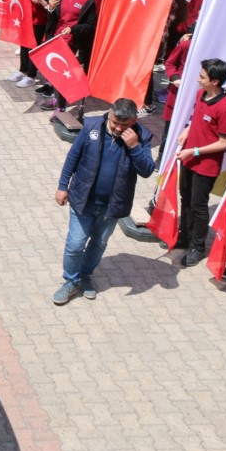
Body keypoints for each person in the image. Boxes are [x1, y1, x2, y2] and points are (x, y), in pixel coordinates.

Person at [53, 99, 155, 305]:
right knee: (75, 244)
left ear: (134, 120)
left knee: (99, 243)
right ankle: (71, 281)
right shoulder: (92, 127)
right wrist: (63, 185)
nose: (118, 128)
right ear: (109, 113)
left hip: (112, 206)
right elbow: (73, 156)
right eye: (115, 121)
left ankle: (84, 276)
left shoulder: (141, 137)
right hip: (83, 200)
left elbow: (147, 170)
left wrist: (134, 146)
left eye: (124, 125)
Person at [172, 59, 226, 267]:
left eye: (202, 77)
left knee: (198, 205)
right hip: (189, 158)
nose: (198, 79)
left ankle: (198, 246)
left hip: (206, 165)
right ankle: (184, 236)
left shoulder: (225, 108)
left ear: (215, 81)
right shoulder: (201, 95)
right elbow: (196, 118)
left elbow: (224, 143)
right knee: (185, 198)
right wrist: (187, 131)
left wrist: (194, 151)